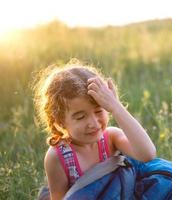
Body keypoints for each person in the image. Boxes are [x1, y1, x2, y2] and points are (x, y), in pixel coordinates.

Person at [34, 60, 157, 199]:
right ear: (60, 122)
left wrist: (116, 107)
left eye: (98, 111)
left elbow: (148, 154)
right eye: (80, 117)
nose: (93, 123)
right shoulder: (57, 157)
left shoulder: (111, 137)